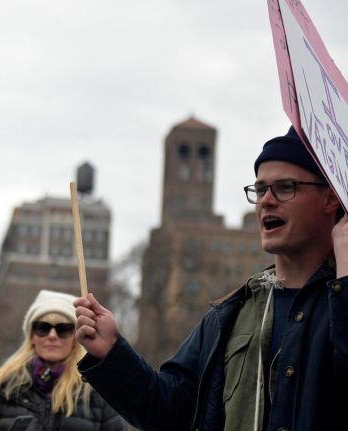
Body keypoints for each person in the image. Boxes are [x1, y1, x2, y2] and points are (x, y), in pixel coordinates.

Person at [74, 126, 348, 430]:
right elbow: (171, 411)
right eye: (259, 190)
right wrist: (112, 352)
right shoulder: (231, 316)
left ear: (330, 199)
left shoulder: (339, 301)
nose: (266, 201)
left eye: (285, 187)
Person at [0, 290, 124, 431]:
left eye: (63, 329)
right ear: (32, 337)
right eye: (43, 327)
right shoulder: (5, 387)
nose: (52, 336)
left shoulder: (96, 391)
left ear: (75, 339)